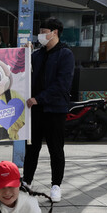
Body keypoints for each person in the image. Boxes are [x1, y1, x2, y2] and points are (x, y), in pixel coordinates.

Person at [25, 17, 74, 202]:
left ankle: (56, 186)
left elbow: (62, 84)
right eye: (40, 32)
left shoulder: (65, 55)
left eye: (44, 32)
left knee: (56, 149)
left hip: (55, 110)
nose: (41, 35)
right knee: (31, 148)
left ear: (55, 32)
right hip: (35, 110)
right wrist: (24, 55)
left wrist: (39, 98)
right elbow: (23, 73)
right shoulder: (36, 55)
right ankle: (27, 182)